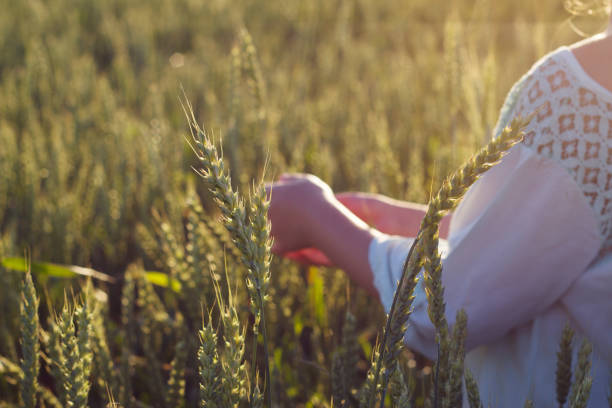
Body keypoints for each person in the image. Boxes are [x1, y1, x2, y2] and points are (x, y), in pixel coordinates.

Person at [266, 6, 612, 408]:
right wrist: (423, 225)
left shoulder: (577, 101)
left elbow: (451, 311)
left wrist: (319, 219)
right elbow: (560, 247)